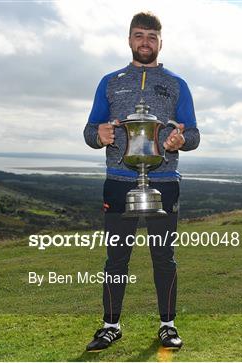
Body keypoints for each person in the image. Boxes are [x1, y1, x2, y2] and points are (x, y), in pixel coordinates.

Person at [83, 11, 200, 352]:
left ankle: (168, 325)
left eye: (151, 36)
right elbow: (91, 131)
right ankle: (110, 325)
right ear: (129, 39)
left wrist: (181, 141)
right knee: (116, 259)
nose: (144, 42)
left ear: (160, 42)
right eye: (138, 35)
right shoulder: (110, 81)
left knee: (164, 257)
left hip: (164, 182)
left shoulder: (178, 84)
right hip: (118, 181)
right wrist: (99, 134)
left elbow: (192, 134)